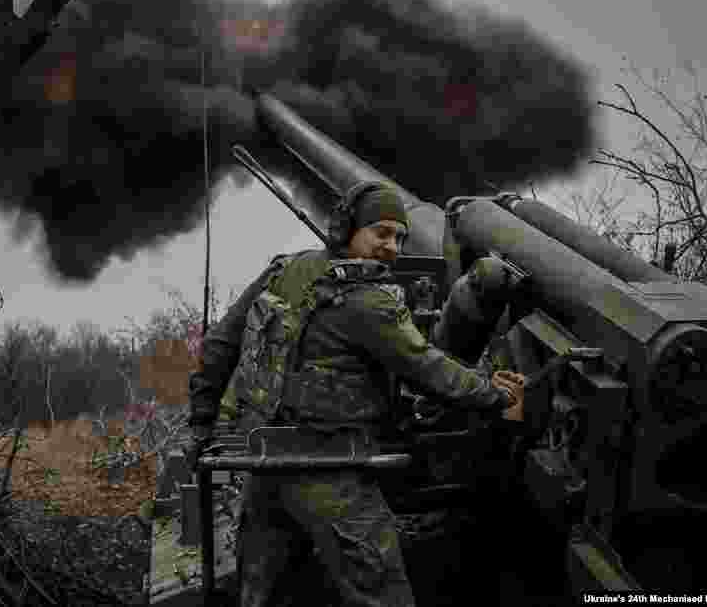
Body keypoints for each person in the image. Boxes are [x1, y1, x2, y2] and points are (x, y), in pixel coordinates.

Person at [188, 180, 524, 607]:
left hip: (264, 464)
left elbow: (220, 343)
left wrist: (201, 420)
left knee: (263, 593)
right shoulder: (370, 303)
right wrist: (496, 395)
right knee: (383, 595)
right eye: (381, 233)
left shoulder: (283, 270)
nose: (392, 247)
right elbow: (431, 372)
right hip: (331, 471)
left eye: (399, 237)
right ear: (348, 229)